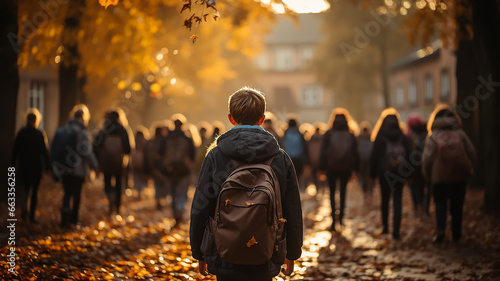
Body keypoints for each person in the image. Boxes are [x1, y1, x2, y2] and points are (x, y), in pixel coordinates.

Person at [190, 87, 303, 281]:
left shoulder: (216, 155)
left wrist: (199, 252)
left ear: (231, 118)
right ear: (262, 118)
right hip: (267, 251)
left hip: (222, 251)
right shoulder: (279, 157)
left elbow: (201, 205)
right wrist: (292, 252)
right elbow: (292, 208)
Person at [422, 104, 475, 243]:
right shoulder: (460, 134)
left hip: (439, 179)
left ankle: (441, 231)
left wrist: (428, 175)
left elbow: (426, 160)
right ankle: (456, 234)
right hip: (459, 176)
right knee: (457, 207)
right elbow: (472, 153)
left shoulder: (433, 136)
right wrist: (468, 168)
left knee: (440, 205)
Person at [370, 108, 410, 240]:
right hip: (399, 173)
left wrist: (372, 174)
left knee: (385, 200)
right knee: (398, 200)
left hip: (384, 173)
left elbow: (374, 156)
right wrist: (409, 175)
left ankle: (386, 227)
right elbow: (409, 156)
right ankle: (396, 231)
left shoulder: (380, 136)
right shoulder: (402, 136)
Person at [58, 105, 99, 227]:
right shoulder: (82, 132)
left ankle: (64, 214)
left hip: (65, 167)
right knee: (76, 195)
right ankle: (73, 219)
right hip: (78, 170)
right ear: (84, 117)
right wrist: (95, 166)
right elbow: (86, 151)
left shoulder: (64, 130)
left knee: (66, 193)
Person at [319, 108, 359, 231]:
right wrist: (356, 170)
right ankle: (341, 219)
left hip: (331, 167)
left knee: (331, 193)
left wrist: (321, 169)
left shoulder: (329, 133)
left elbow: (323, 152)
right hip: (346, 168)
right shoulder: (350, 134)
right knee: (343, 193)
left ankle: (332, 221)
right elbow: (356, 153)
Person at [11, 108, 50, 223]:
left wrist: (13, 165)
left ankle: (24, 205)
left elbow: (15, 151)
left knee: (26, 189)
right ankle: (32, 216)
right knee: (34, 192)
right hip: (36, 167)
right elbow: (44, 152)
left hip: (23, 166)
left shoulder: (21, 133)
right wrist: (48, 167)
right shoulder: (39, 134)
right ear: (36, 120)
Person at [94, 109, 132, 216]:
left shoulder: (103, 130)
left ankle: (110, 195)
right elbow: (128, 149)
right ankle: (118, 207)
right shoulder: (123, 130)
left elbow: (96, 146)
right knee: (119, 184)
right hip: (119, 162)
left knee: (107, 182)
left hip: (105, 162)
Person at [161, 113, 195, 224]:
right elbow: (192, 153)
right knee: (182, 191)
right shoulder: (187, 138)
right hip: (183, 169)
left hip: (170, 168)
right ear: (183, 125)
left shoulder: (167, 138)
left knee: (172, 193)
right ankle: (181, 206)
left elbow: (160, 152)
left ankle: (175, 212)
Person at [406, 114, 429, 216]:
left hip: (413, 166)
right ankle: (426, 207)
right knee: (426, 186)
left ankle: (417, 206)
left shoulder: (409, 135)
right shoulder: (427, 132)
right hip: (426, 164)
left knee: (414, 187)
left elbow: (407, 152)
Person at [283, 115, 308, 188]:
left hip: (287, 159)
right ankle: (297, 191)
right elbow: (304, 148)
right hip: (299, 159)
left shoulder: (285, 134)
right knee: (297, 178)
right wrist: (306, 162)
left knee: (288, 178)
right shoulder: (299, 134)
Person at [131, 126, 150, 200]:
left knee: (136, 176)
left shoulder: (134, 140)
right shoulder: (145, 141)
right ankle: (141, 191)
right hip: (143, 161)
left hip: (134, 160)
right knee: (142, 176)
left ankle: (138, 191)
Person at [358, 121, 373, 204]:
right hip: (369, 160)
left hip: (361, 160)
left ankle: (364, 191)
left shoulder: (359, 137)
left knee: (363, 175)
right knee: (369, 175)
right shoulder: (371, 137)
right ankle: (370, 192)